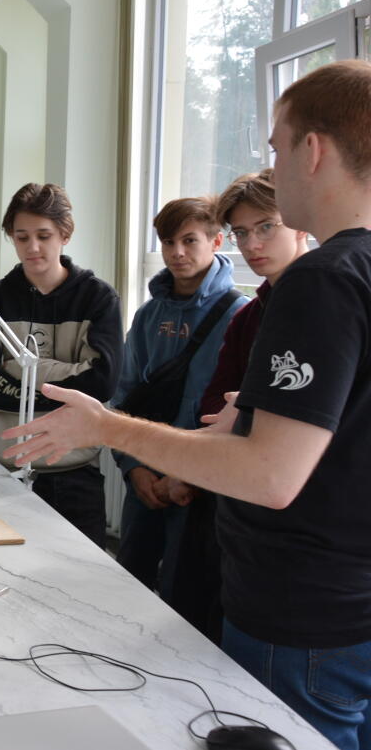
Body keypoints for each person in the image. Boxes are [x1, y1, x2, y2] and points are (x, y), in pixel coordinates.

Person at [2, 60, 371, 750]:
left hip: (303, 612)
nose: (273, 167)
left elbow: (270, 475)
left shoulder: (321, 280)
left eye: (276, 148)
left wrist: (106, 426)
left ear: (313, 150)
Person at [163, 170, 309, 641]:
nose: (252, 244)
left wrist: (246, 408)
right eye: (242, 233)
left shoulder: (325, 302)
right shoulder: (248, 316)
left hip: (297, 519)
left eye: (266, 226)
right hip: (230, 494)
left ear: (299, 222)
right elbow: (214, 401)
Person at [0, 183, 122, 547]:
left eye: (43, 236)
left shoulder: (99, 298)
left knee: (82, 574)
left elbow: (103, 383)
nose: (32, 247)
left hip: (75, 473)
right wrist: (66, 387)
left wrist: (19, 368)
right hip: (2, 471)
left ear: (65, 234)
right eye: (21, 237)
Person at [110, 197, 245, 597]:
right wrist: (133, 467)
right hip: (145, 474)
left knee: (185, 593)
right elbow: (125, 394)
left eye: (189, 240)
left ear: (216, 241)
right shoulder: (148, 315)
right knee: (128, 582)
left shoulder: (240, 315)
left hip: (202, 484)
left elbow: (236, 413)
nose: (177, 252)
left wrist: (187, 474)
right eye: (169, 242)